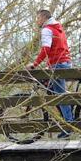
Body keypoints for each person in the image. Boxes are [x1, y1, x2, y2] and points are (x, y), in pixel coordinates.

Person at [26, 9, 73, 138]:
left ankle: (69, 125)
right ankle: (70, 107)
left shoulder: (47, 30)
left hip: (57, 65)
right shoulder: (58, 27)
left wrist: (34, 64)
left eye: (37, 18)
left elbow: (46, 49)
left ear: (43, 17)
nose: (37, 21)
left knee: (59, 95)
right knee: (52, 89)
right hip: (65, 62)